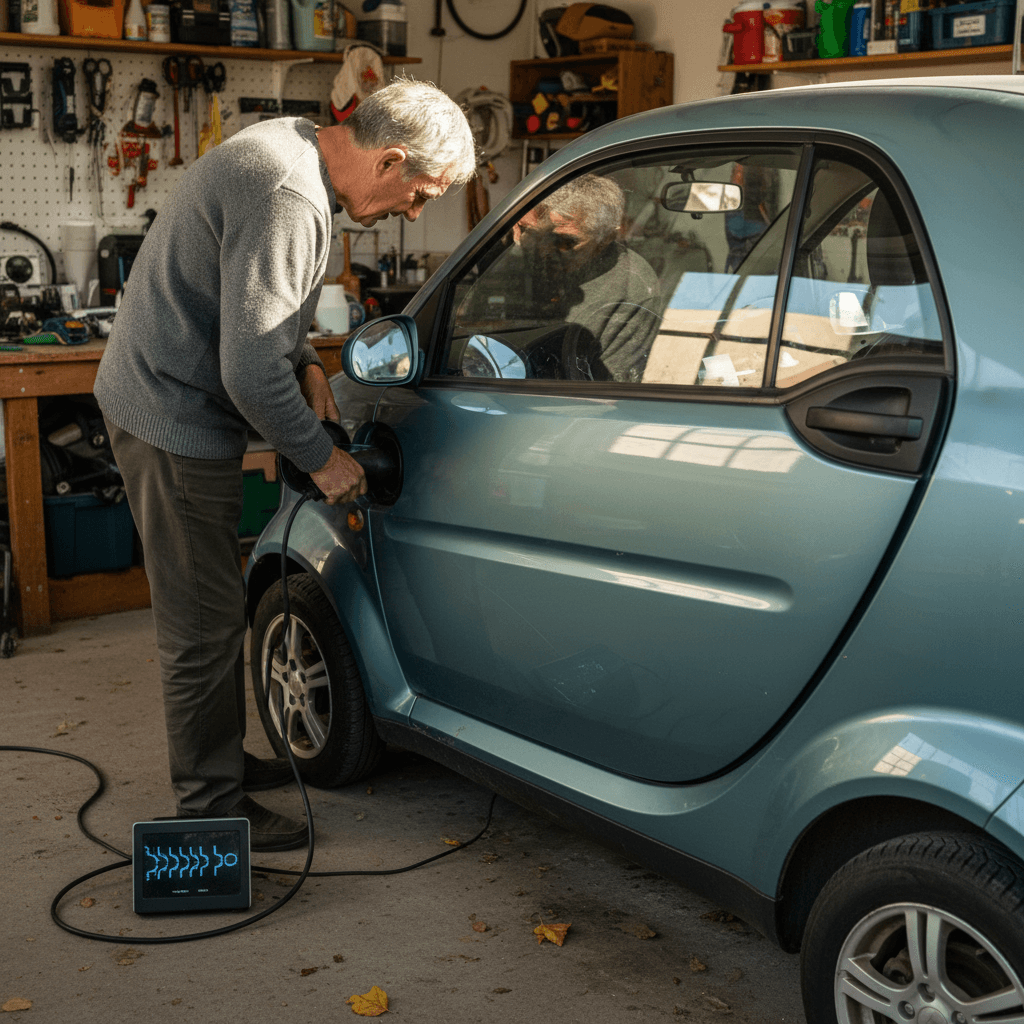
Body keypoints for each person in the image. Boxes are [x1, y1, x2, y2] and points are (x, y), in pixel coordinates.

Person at [94, 79, 476, 850]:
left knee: (209, 613)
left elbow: (258, 320)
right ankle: (209, 805)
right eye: (419, 192)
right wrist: (320, 459)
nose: (413, 210)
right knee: (201, 625)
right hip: (170, 417)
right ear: (391, 157)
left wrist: (304, 359)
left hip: (168, 400)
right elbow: (248, 373)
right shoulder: (292, 198)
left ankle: (216, 763)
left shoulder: (292, 148)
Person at [512, 174, 660, 382]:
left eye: (566, 243)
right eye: (528, 232)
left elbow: (606, 397)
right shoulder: (530, 267)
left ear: (606, 237)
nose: (546, 253)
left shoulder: (630, 293)